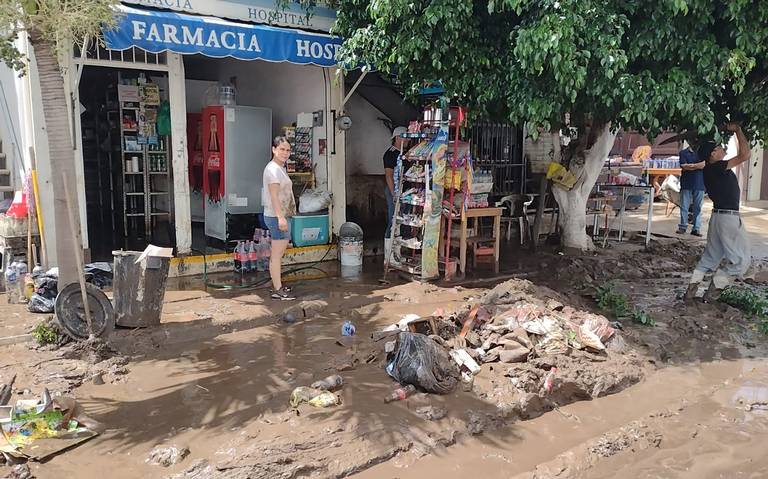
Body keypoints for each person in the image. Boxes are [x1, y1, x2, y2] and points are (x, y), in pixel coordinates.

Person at [685, 123, 754, 301]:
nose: (722, 148)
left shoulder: (710, 168)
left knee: (710, 257)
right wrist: (739, 130)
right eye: (718, 148)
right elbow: (745, 155)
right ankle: (712, 293)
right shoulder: (716, 167)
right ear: (712, 155)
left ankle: (690, 293)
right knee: (740, 261)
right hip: (727, 219)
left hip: (718, 217)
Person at [263, 136, 297, 301]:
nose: (285, 153)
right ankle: (277, 290)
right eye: (282, 149)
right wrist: (280, 218)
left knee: (278, 253)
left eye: (288, 150)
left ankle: (278, 285)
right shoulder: (273, 170)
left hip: (280, 215)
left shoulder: (279, 168)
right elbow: (274, 196)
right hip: (277, 216)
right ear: (274, 149)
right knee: (276, 255)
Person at [383, 126, 408, 256]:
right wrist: (394, 194)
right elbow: (389, 175)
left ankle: (397, 253)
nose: (408, 139)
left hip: (405, 192)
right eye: (405, 136)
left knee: (401, 221)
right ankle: (389, 255)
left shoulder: (406, 153)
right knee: (393, 221)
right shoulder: (390, 154)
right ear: (397, 137)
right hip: (394, 191)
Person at [677, 145, 705, 236]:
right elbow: (684, 166)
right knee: (684, 206)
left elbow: (704, 165)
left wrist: (691, 166)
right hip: (686, 183)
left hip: (700, 184)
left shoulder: (702, 153)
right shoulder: (683, 153)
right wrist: (697, 166)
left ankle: (696, 228)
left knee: (698, 208)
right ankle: (682, 227)